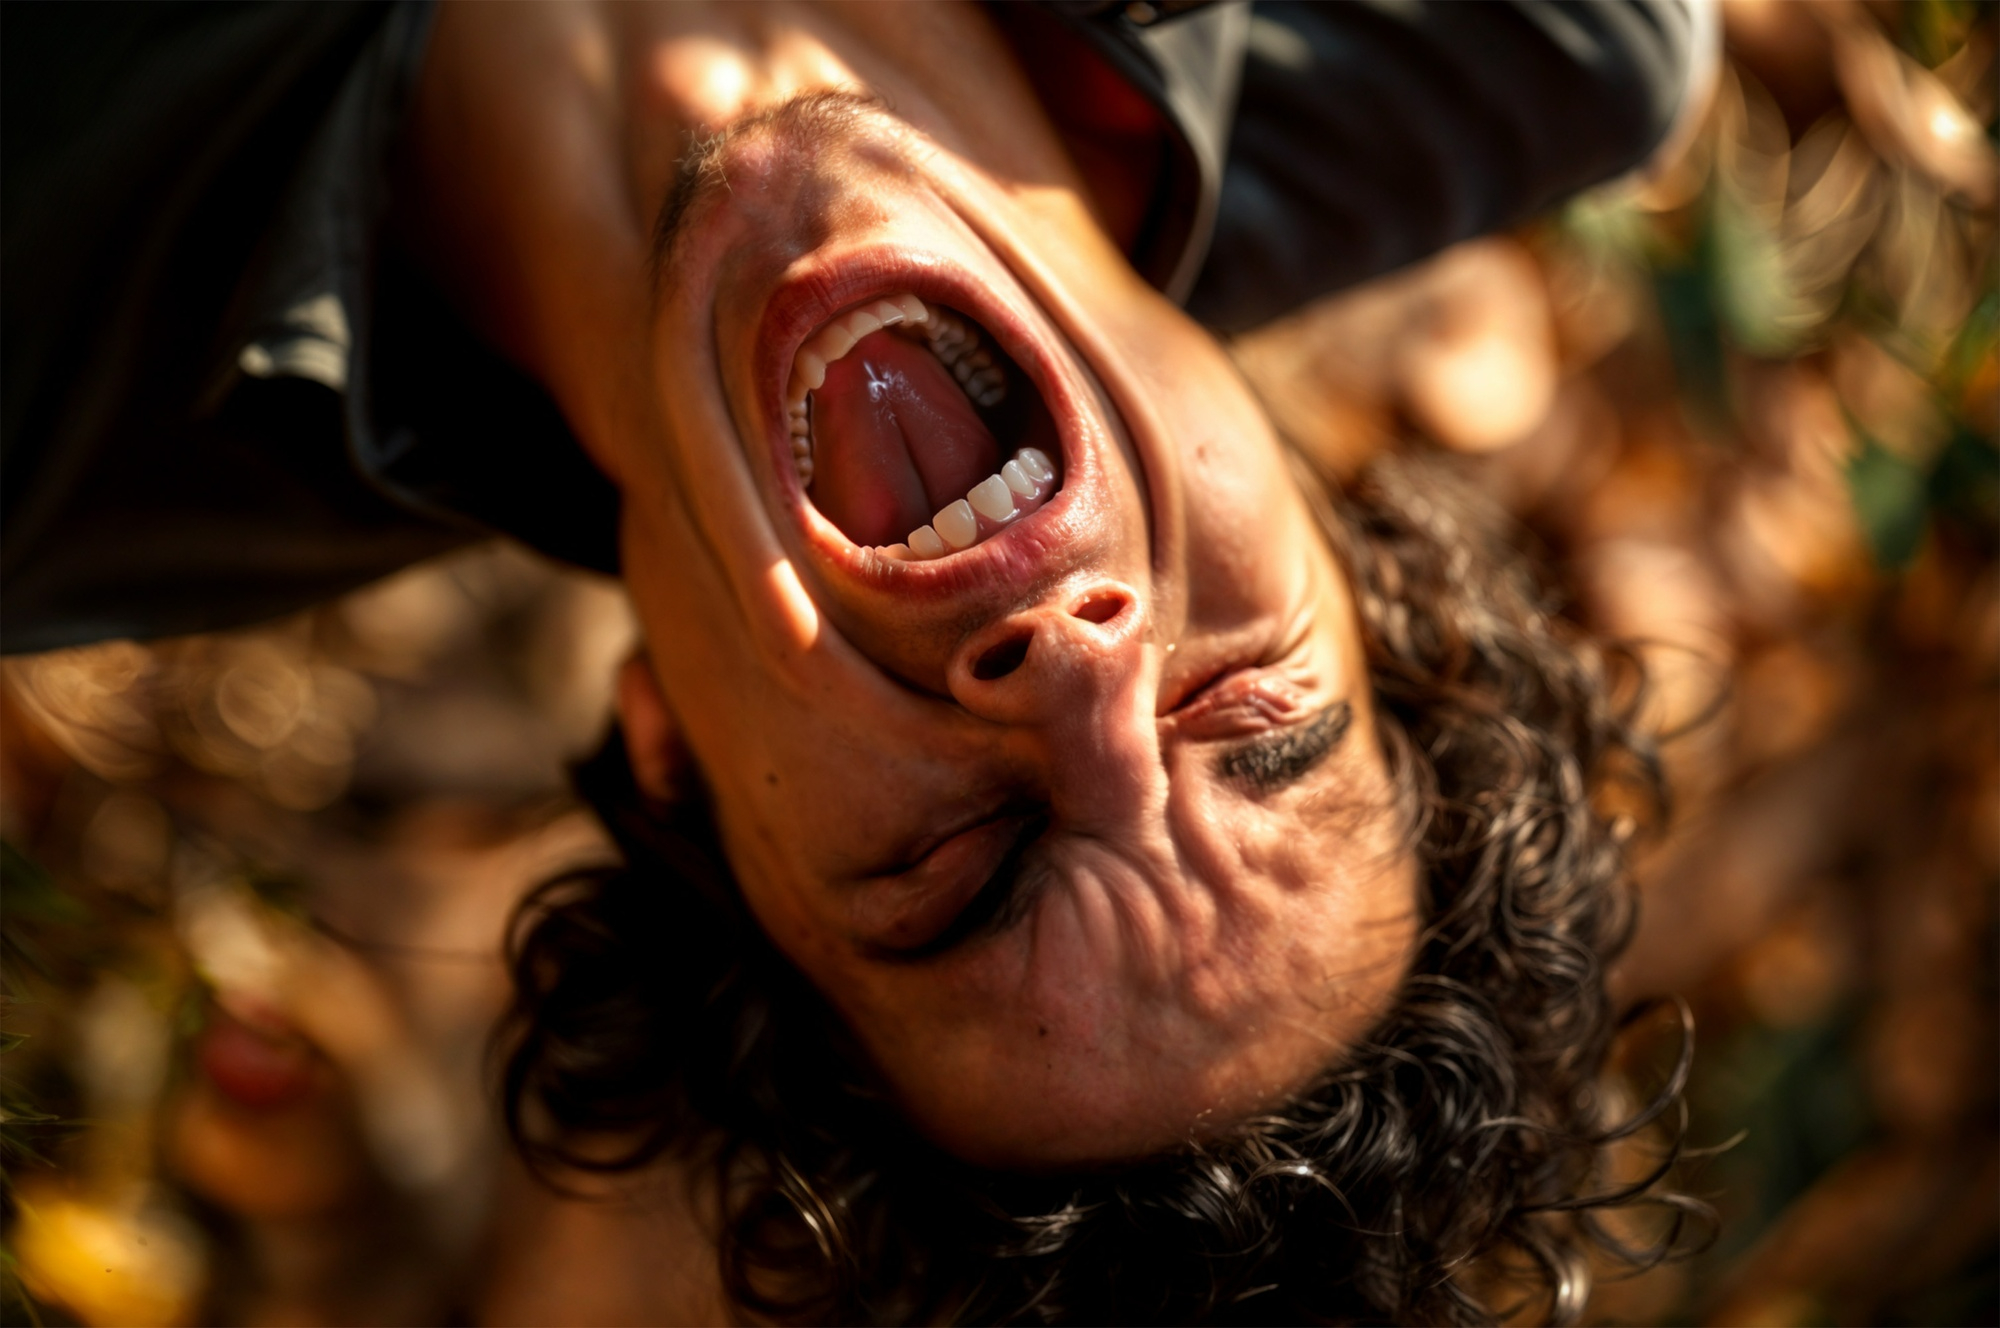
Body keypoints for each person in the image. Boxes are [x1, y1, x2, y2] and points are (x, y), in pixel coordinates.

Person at [4, 2, 1714, 1321]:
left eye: (965, 865)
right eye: (1251, 713)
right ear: (1348, 534)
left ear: (670, 766)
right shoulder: (1522, 41)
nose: (1082, 684)